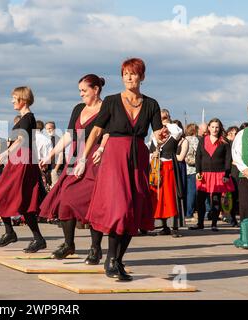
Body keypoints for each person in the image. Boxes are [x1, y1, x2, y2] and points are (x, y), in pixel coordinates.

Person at [74, 58, 168, 281]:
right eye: (125, 73)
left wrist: (161, 137)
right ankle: (111, 259)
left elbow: (156, 134)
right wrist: (82, 159)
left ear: (142, 77)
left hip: (138, 157)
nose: (128, 77)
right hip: (114, 157)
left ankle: (116, 259)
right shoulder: (112, 101)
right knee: (119, 209)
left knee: (133, 211)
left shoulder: (152, 104)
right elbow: (96, 131)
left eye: (133, 74)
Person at [39, 74, 107, 263]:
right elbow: (69, 136)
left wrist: (101, 148)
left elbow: (108, 134)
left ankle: (95, 248)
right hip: (76, 158)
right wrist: (50, 155)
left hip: (95, 159)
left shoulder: (107, 108)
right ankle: (69, 244)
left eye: (84, 91)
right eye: (79, 91)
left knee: (94, 203)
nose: (81, 94)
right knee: (65, 198)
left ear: (96, 89)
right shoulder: (78, 108)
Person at [0, 86, 47, 253]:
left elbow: (21, 140)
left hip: (22, 161)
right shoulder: (25, 118)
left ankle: (24, 235)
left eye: (14, 98)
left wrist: (5, 153)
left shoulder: (29, 117)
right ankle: (17, 233)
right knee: (8, 195)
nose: (11, 101)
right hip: (19, 160)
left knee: (14, 196)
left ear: (22, 100)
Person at [190, 118, 234, 232]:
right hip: (203, 174)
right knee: (200, 200)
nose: (215, 129)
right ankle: (200, 223)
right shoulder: (203, 140)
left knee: (215, 200)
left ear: (220, 128)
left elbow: (228, 159)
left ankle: (214, 224)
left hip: (218, 174)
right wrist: (198, 172)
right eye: (213, 127)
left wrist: (227, 174)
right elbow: (198, 157)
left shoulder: (224, 141)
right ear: (208, 128)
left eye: (217, 127)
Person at [149, 111, 183, 237]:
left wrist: (167, 123)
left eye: (165, 117)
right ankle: (162, 226)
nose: (162, 120)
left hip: (169, 168)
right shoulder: (154, 136)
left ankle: (173, 226)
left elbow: (178, 131)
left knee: (170, 197)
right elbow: (150, 151)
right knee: (158, 198)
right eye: (160, 118)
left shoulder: (173, 134)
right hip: (157, 168)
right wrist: (153, 155)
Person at [232, 101, 248, 234]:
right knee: (246, 207)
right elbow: (235, 152)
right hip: (244, 176)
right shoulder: (242, 133)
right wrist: (245, 169)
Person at [185, 123, 200, 220]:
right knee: (192, 192)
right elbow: (198, 152)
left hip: (184, 168)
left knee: (187, 191)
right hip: (193, 168)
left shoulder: (184, 139)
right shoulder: (194, 139)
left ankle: (186, 211)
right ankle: (189, 213)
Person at [227, 126, 240, 226]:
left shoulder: (240, 144)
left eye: (235, 133)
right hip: (233, 172)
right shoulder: (228, 145)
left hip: (241, 172)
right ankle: (232, 218)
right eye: (231, 133)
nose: (233, 136)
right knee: (232, 196)